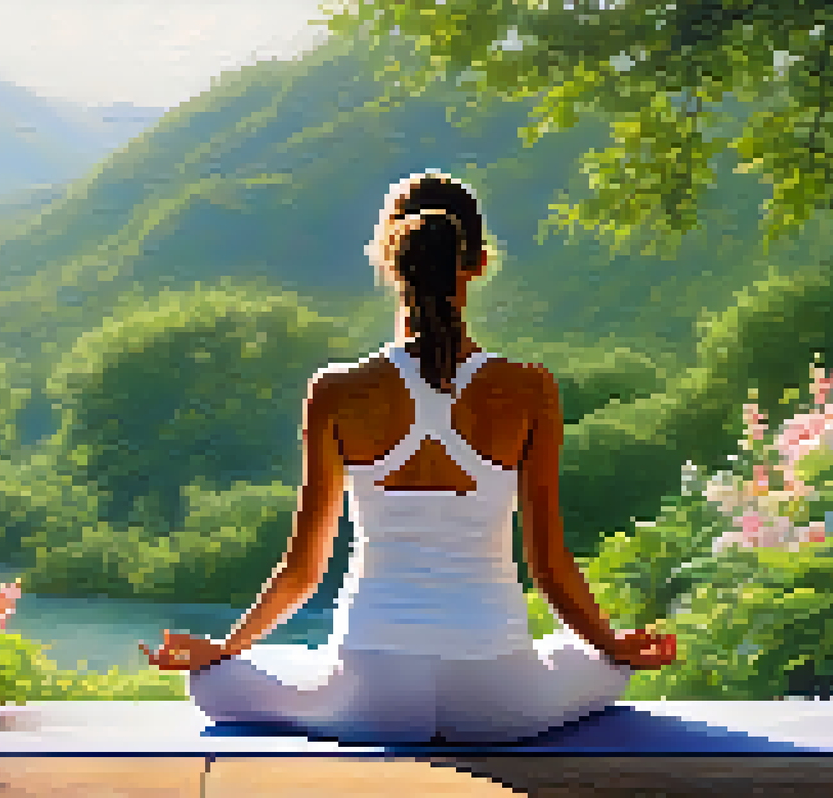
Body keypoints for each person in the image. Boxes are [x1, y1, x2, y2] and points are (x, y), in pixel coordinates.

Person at [139, 170, 675, 744]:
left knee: (213, 684)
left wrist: (225, 650)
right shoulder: (529, 389)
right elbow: (548, 565)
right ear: (478, 263)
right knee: (594, 658)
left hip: (373, 696)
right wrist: (612, 645)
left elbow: (304, 571)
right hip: (499, 701)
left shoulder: (336, 392)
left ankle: (266, 671)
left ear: (387, 259)